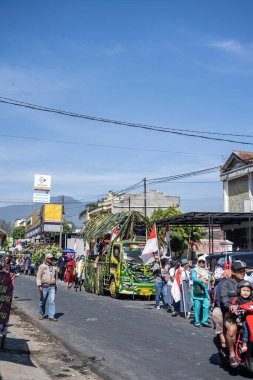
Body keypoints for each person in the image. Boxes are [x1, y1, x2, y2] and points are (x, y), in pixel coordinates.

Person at [220, 260, 247, 367]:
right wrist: (230, 306)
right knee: (232, 330)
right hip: (231, 314)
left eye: (244, 271)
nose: (242, 273)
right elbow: (224, 299)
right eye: (240, 271)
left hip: (247, 314)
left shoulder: (246, 283)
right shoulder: (227, 284)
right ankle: (231, 354)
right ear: (233, 272)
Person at [230, 280, 253, 353]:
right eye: (244, 290)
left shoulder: (251, 299)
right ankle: (244, 343)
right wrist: (236, 307)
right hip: (241, 318)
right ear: (239, 291)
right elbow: (234, 307)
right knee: (246, 327)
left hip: (250, 317)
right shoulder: (237, 299)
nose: (246, 292)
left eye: (248, 291)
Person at [191, 255, 212, 328]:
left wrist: (211, 278)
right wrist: (201, 280)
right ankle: (197, 322)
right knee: (197, 307)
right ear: (198, 262)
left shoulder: (207, 271)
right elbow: (194, 278)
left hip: (205, 292)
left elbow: (210, 279)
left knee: (206, 306)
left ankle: (204, 321)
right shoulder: (194, 270)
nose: (201, 263)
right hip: (197, 291)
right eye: (200, 261)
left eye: (203, 262)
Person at [36, 253, 58, 321]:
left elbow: (55, 277)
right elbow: (38, 276)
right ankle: (41, 314)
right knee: (42, 301)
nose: (52, 260)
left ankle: (51, 316)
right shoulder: (42, 266)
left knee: (52, 301)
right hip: (44, 286)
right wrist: (39, 285)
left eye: (52, 259)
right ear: (47, 259)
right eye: (50, 259)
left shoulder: (54, 267)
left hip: (52, 287)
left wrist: (56, 286)